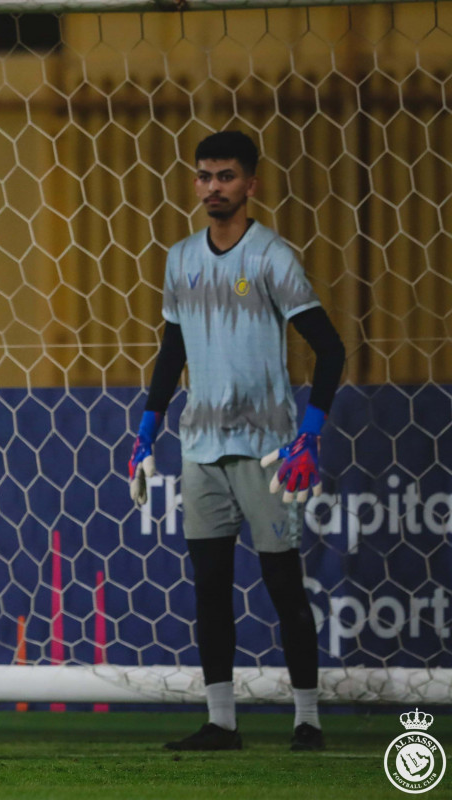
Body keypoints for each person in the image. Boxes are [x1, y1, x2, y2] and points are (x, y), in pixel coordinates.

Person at [128, 130, 345, 752]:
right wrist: (147, 431)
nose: (212, 187)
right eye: (203, 176)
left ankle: (308, 719)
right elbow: (173, 351)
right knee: (210, 591)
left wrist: (309, 434)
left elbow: (331, 350)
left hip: (267, 453)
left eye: (225, 176)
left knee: (283, 587)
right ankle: (221, 722)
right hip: (199, 453)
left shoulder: (272, 257)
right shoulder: (180, 259)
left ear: (251, 184)